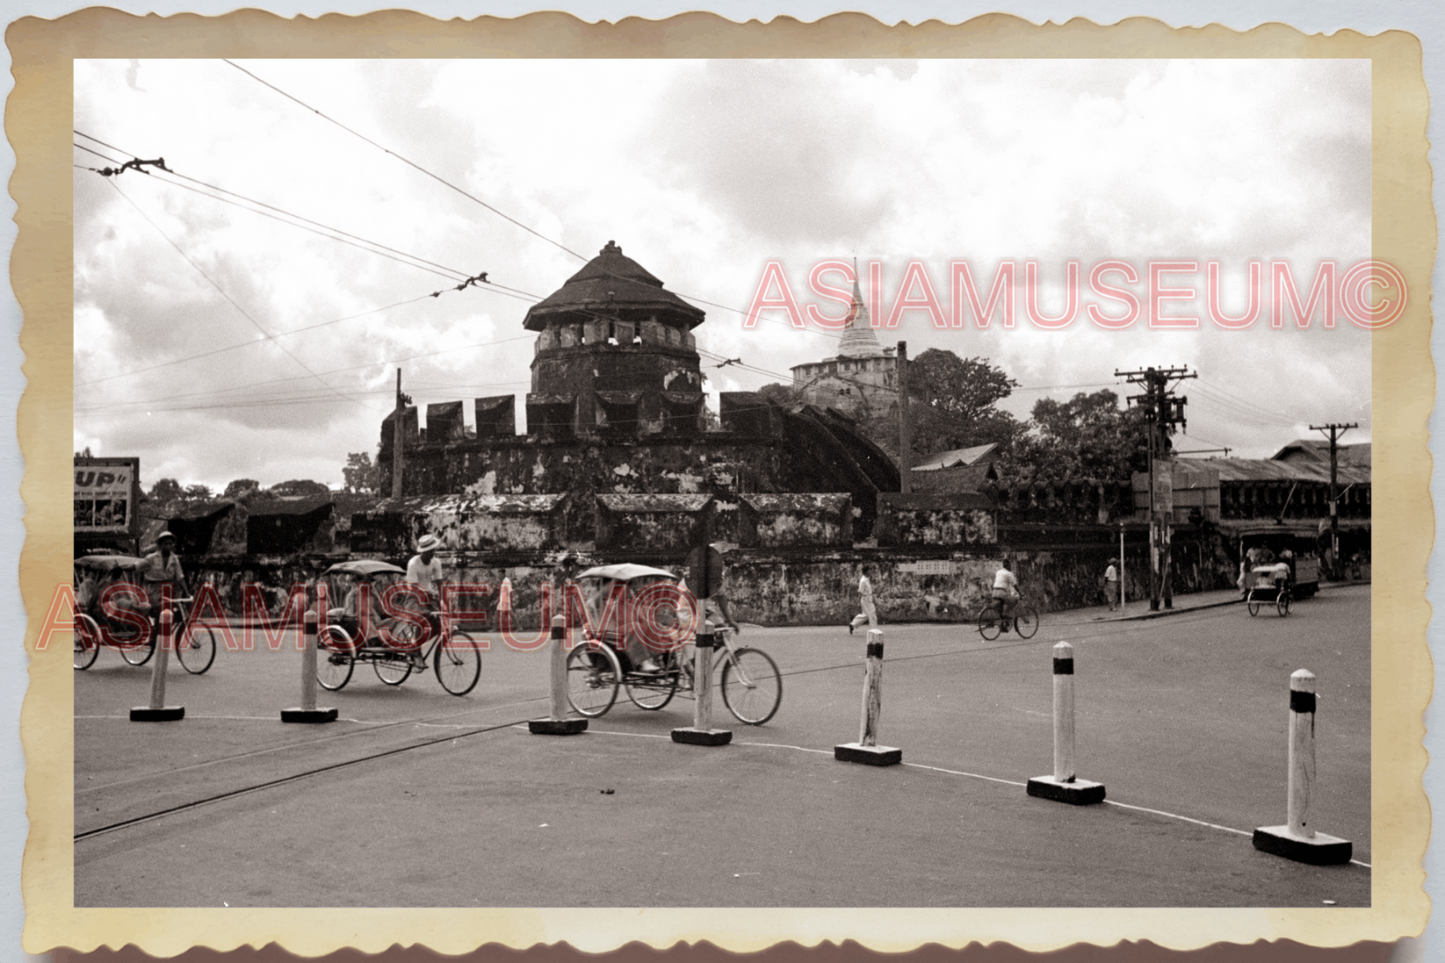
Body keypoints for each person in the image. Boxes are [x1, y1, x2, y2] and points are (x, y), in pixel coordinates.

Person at [140, 531, 186, 625]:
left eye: (170, 544)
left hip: (168, 588)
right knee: (158, 608)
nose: (168, 546)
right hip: (152, 588)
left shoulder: (174, 559)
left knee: (179, 608)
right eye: (166, 544)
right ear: (161, 545)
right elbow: (137, 567)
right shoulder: (151, 558)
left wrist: (187, 593)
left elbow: (180, 576)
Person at [848, 565, 878, 635]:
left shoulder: (867, 579)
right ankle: (874, 630)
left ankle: (853, 625)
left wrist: (873, 598)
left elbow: (869, 591)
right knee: (871, 615)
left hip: (869, 599)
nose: (871, 572)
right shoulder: (863, 581)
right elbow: (860, 592)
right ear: (866, 571)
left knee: (867, 615)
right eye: (869, 570)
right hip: (865, 600)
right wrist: (858, 602)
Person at [992, 559, 1021, 627]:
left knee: (1001, 605)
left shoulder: (998, 572)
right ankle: (1006, 613)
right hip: (1002, 593)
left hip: (994, 592)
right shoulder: (1009, 573)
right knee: (1015, 601)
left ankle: (1003, 623)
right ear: (1008, 565)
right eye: (1010, 565)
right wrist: (1020, 592)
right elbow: (1014, 585)